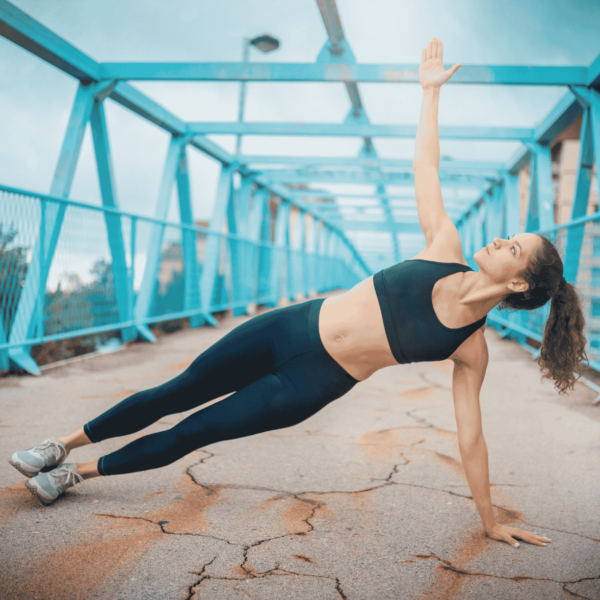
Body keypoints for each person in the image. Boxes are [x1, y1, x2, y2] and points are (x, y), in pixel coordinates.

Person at [10, 38, 587, 550]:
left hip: (311, 383)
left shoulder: (471, 348)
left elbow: (472, 438)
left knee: (194, 431)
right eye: (510, 235)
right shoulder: (444, 245)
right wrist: (429, 93)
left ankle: (76, 475)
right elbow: (426, 164)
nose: (500, 238)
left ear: (517, 284)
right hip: (289, 328)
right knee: (175, 391)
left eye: (513, 247)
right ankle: (57, 445)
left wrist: (488, 521)